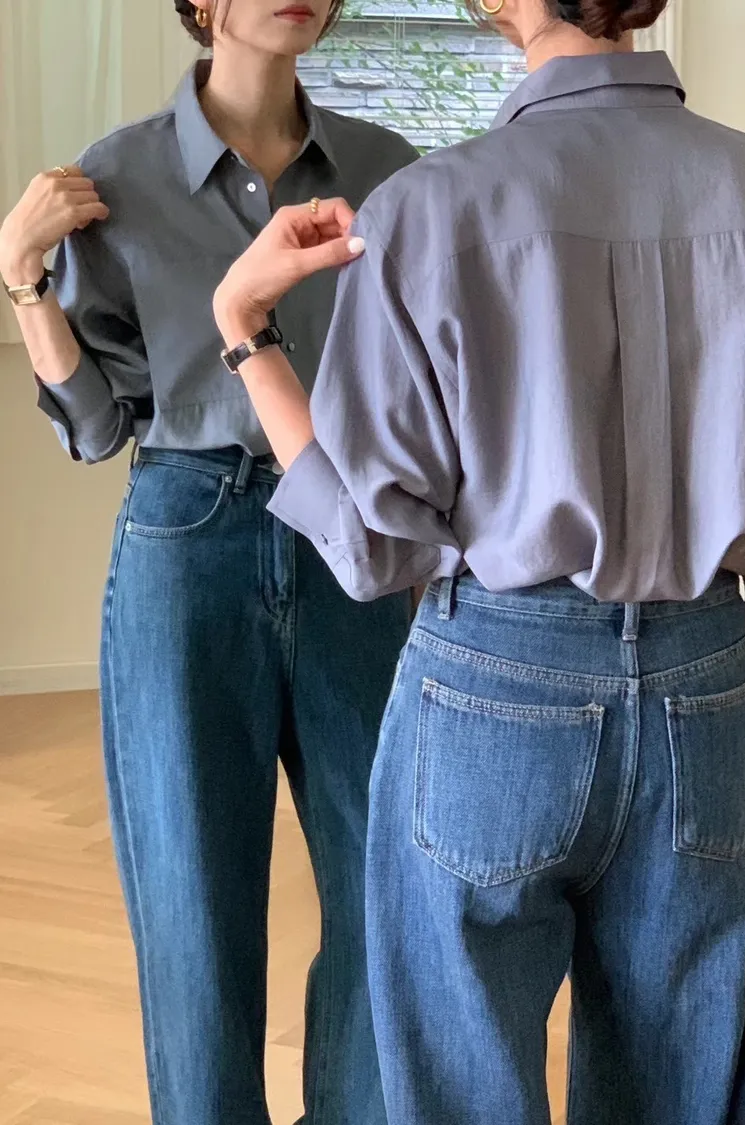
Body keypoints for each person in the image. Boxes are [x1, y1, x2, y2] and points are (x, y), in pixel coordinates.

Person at [208, 0, 745, 1122]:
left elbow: (373, 544)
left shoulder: (431, 206)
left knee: (458, 1093)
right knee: (686, 1088)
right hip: (714, 683)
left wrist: (247, 331)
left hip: (495, 680)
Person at [0, 3, 418, 1124]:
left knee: (385, 886)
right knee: (192, 909)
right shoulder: (113, 178)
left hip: (352, 541)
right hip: (190, 537)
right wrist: (23, 274)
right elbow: (98, 427)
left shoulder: (389, 171)